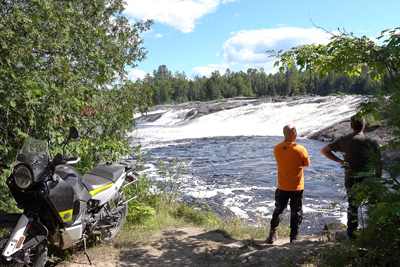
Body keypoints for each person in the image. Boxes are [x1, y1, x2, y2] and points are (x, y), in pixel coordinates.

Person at [321, 115, 382, 239]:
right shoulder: (372, 142)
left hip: (351, 178)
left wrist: (340, 161)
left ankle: (352, 236)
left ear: (351, 125)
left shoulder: (344, 140)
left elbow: (325, 150)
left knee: (353, 207)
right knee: (375, 205)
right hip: (370, 179)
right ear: (364, 126)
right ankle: (375, 234)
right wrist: (377, 178)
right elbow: (379, 162)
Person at [266, 124, 310, 244]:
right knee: (296, 212)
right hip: (297, 187)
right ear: (294, 134)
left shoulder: (277, 148)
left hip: (282, 186)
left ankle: (272, 234)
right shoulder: (301, 149)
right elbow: (306, 164)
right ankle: (294, 237)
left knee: (279, 210)